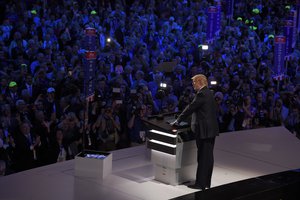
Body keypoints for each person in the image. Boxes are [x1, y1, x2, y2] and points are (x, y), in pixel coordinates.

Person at [170, 74, 219, 190]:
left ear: (200, 82)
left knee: (203, 157)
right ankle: (206, 182)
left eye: (194, 83)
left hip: (204, 130)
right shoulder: (209, 93)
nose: (193, 85)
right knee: (208, 157)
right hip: (210, 130)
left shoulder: (202, 94)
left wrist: (178, 120)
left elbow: (190, 108)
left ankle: (200, 184)